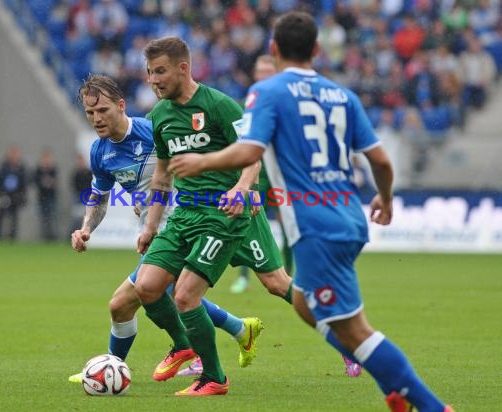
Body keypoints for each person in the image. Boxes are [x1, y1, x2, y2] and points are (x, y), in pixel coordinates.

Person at [168, 12, 454, 412]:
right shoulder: (343, 96)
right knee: (304, 303)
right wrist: (385, 200)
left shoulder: (269, 92)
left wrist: (201, 163)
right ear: (317, 50)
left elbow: (250, 151)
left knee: (355, 330)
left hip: (316, 227)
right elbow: (382, 162)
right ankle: (394, 387)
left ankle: (427, 403)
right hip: (350, 217)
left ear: (273, 49)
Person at [67, 74, 288, 383]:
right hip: (158, 226)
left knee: (138, 298)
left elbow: (204, 154)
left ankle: (176, 351)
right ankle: (239, 329)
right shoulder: (100, 152)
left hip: (186, 220)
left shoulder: (150, 129)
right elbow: (99, 197)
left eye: (103, 110)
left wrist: (242, 186)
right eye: (91, 113)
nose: (97, 119)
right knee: (157, 295)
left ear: (121, 105)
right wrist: (86, 227)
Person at [230, 54, 296, 296]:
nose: (266, 74)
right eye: (262, 71)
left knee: (288, 223)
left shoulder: (286, 102)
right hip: (254, 170)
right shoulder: (247, 103)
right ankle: (244, 278)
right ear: (256, 74)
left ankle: (289, 274)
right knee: (246, 221)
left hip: (281, 172)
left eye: (270, 71)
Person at [0, 146, 27, 240]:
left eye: (15, 153)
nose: (14, 156)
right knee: (0, 216)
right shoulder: (3, 167)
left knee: (14, 218)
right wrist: (0, 194)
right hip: (4, 195)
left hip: (15, 196)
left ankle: (12, 237)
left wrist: (21, 196)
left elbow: (24, 183)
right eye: (12, 153)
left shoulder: (20, 167)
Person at [33, 148, 59, 241]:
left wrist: (49, 182)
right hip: (42, 198)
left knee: (52, 217)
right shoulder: (38, 170)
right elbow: (35, 181)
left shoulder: (53, 169)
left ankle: (52, 237)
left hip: (51, 197)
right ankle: (44, 236)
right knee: (43, 218)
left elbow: (55, 182)